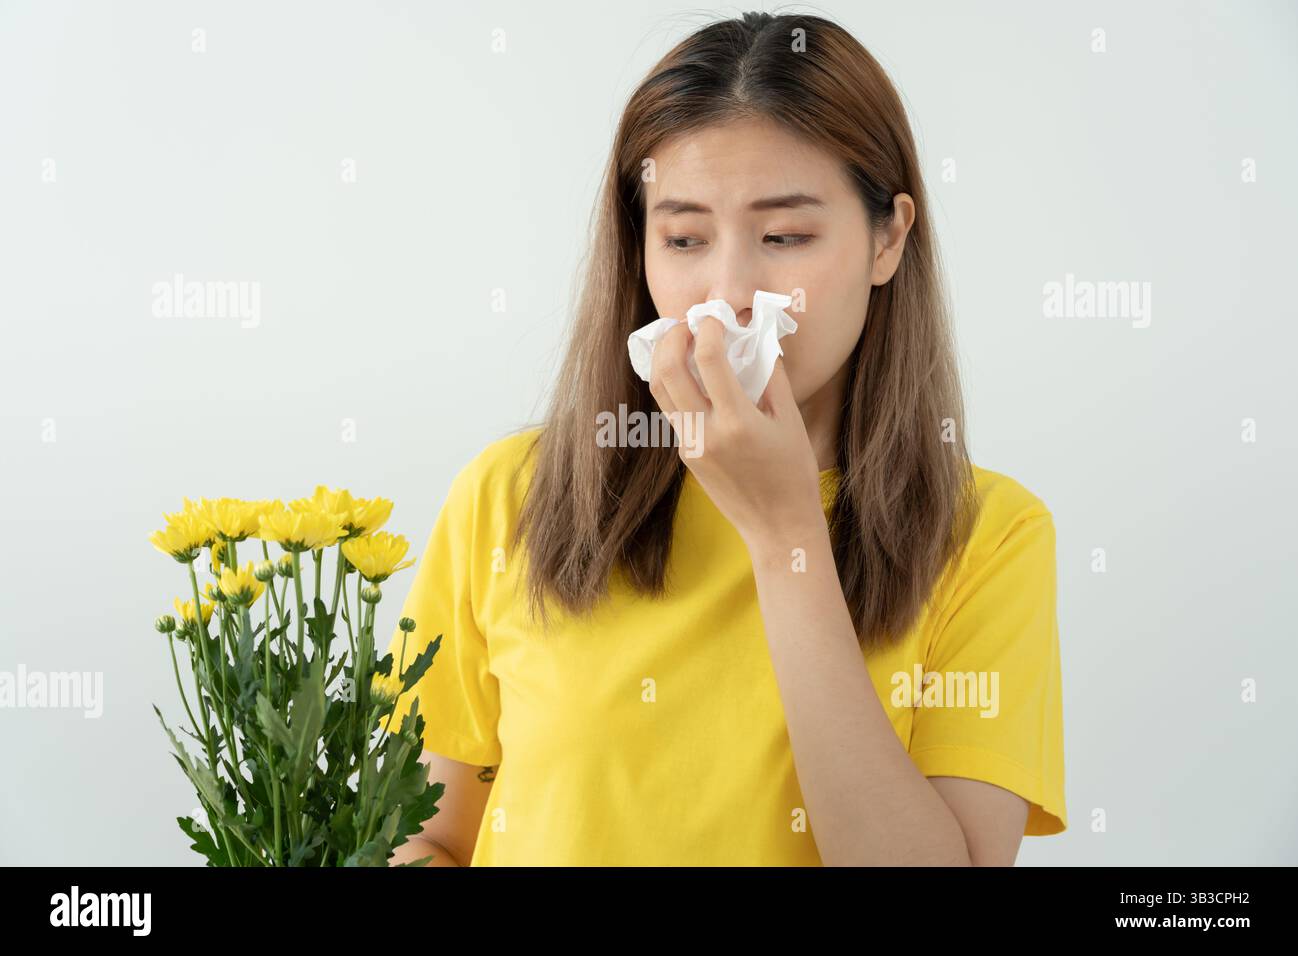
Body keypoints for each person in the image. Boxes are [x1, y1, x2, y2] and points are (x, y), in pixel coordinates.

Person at [385, 10, 1066, 867]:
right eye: (684, 239)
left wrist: (786, 536)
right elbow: (428, 840)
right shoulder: (509, 496)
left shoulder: (990, 537)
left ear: (888, 238)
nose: (730, 291)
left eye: (785, 237)